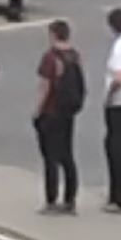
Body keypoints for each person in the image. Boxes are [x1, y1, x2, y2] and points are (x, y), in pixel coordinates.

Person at [33, 20, 84, 215]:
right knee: (67, 155)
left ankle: (51, 200)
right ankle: (70, 200)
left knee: (50, 158)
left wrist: (37, 110)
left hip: (51, 110)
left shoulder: (50, 57)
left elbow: (45, 86)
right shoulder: (75, 56)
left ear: (53, 34)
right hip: (68, 111)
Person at [103, 8, 121, 213]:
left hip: (118, 104)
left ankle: (117, 197)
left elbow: (119, 77)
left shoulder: (119, 46)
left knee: (115, 149)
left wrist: (108, 97)